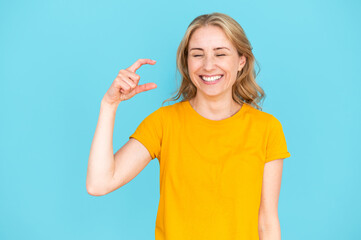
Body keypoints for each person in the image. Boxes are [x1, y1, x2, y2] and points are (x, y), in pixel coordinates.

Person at [87, 12, 291, 240]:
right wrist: (109, 104)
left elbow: (267, 222)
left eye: (220, 53)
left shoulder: (267, 129)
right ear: (187, 61)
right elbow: (99, 183)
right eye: (197, 55)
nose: (208, 65)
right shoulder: (164, 123)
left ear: (241, 61)